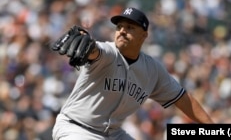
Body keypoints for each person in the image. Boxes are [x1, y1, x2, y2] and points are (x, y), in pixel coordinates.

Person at [51, 7, 213, 140]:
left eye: (130, 27)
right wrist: (89, 46)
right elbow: (95, 51)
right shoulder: (108, 53)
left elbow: (183, 99)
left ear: (144, 35)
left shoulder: (152, 70)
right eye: (119, 26)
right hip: (76, 127)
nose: (122, 31)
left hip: (112, 134)